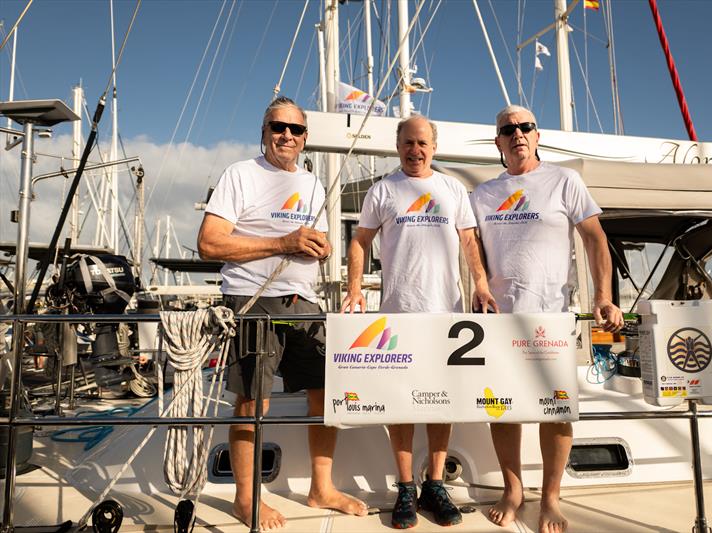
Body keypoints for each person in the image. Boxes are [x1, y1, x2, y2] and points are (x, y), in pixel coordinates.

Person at [197, 96, 367, 530]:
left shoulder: (311, 183)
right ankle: (246, 499)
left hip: (302, 303)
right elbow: (210, 243)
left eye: (294, 129)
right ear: (264, 131)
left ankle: (321, 488)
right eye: (278, 127)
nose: (285, 135)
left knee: (325, 392)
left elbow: (321, 243)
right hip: (252, 300)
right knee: (254, 400)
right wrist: (282, 243)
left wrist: (321, 248)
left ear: (305, 138)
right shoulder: (240, 174)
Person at [470, 105, 624, 533]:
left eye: (526, 127)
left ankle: (552, 497)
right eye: (508, 129)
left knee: (556, 412)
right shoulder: (482, 194)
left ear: (537, 135)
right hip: (500, 319)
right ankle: (513, 490)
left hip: (552, 319)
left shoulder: (564, 180)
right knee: (503, 410)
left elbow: (595, 239)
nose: (517, 133)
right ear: (498, 142)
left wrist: (605, 298)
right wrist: (479, 286)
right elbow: (472, 250)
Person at [342, 114, 498, 529]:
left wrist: (481, 285)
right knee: (402, 401)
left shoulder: (451, 188)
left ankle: (435, 483)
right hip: (398, 311)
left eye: (423, 143)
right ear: (398, 146)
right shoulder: (383, 190)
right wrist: (355, 287)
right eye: (408, 143)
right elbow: (360, 240)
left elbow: (469, 240)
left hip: (446, 310)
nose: (416, 150)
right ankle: (406, 487)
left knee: (442, 399)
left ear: (434, 146)